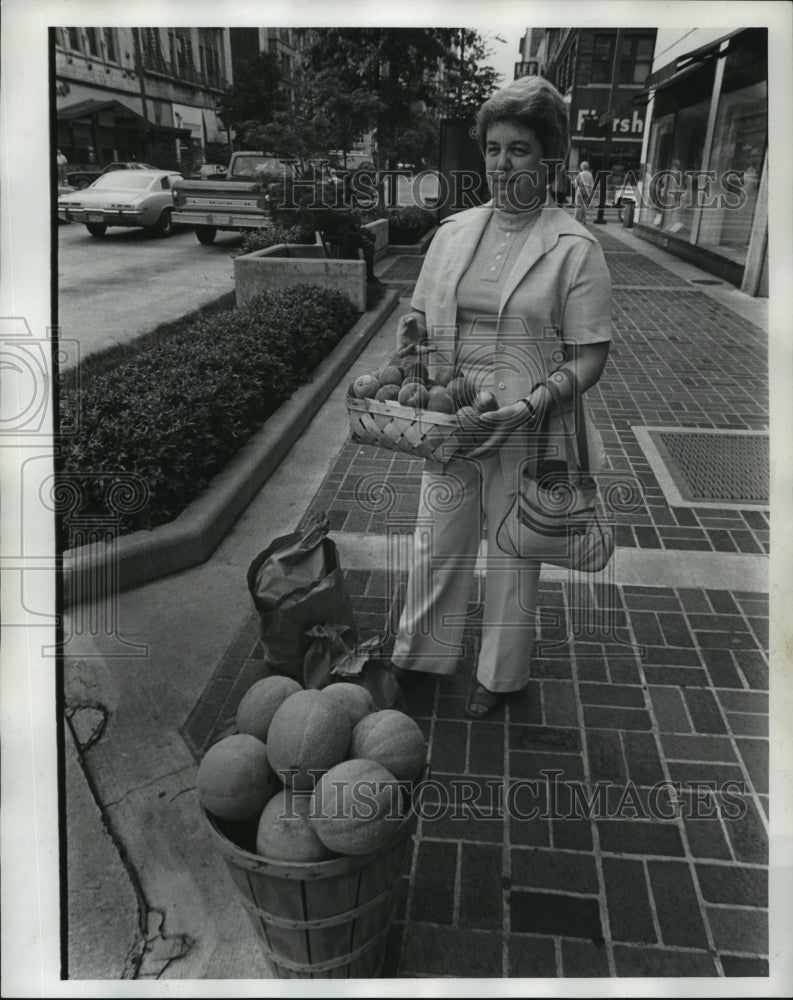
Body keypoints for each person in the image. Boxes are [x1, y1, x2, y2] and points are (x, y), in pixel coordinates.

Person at [388, 75, 612, 719]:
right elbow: (423, 316)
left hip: (529, 419)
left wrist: (534, 403)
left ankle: (500, 677)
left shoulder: (575, 247)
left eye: (518, 149)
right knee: (437, 539)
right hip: (454, 411)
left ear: (550, 158)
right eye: (492, 148)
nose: (501, 163)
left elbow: (591, 356)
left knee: (515, 552)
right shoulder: (455, 232)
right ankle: (422, 657)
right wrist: (414, 339)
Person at [574, 160, 594, 224]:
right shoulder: (590, 174)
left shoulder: (580, 174)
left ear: (582, 167)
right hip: (587, 190)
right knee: (584, 206)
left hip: (581, 189)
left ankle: (576, 220)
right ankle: (584, 220)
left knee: (578, 205)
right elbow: (592, 184)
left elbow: (575, 182)